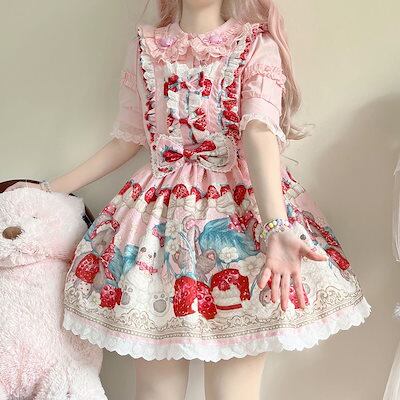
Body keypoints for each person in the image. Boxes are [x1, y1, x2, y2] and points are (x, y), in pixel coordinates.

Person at [6, 0, 371, 398]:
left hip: (239, 223)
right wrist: (49, 188)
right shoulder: (146, 47)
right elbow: (128, 138)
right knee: (156, 392)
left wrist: (274, 226)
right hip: (158, 227)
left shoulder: (255, 43)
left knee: (233, 392)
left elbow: (259, 132)